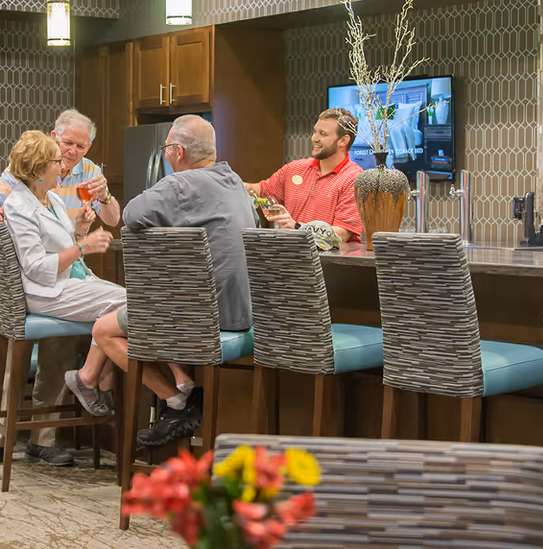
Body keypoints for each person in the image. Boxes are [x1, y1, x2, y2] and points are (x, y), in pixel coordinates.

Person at [64, 115, 258, 447]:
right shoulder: (234, 181)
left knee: (103, 329)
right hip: (243, 313)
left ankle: (177, 401)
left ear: (178, 152)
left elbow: (131, 216)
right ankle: (109, 380)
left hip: (204, 319)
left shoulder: (178, 184)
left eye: (167, 147)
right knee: (142, 313)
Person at [0, 131, 123, 470]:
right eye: (56, 160)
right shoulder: (18, 204)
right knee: (123, 307)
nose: (63, 163)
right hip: (46, 291)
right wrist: (82, 247)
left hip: (67, 285)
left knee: (61, 347)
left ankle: (43, 439)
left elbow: (58, 244)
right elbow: (35, 267)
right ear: (38, 169)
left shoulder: (53, 199)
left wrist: (78, 231)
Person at [0, 109, 120, 230]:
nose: (72, 151)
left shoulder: (91, 171)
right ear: (54, 137)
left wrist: (104, 196)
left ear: (88, 147)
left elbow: (113, 221)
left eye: (80, 147)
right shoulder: (31, 166)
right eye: (67, 143)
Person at [244, 108, 363, 243]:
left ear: (343, 140)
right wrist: (223, 181)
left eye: (323, 134)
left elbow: (341, 234)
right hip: (294, 258)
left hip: (331, 262)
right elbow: (259, 191)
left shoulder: (354, 179)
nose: (314, 138)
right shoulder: (295, 168)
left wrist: (297, 227)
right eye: (315, 132)